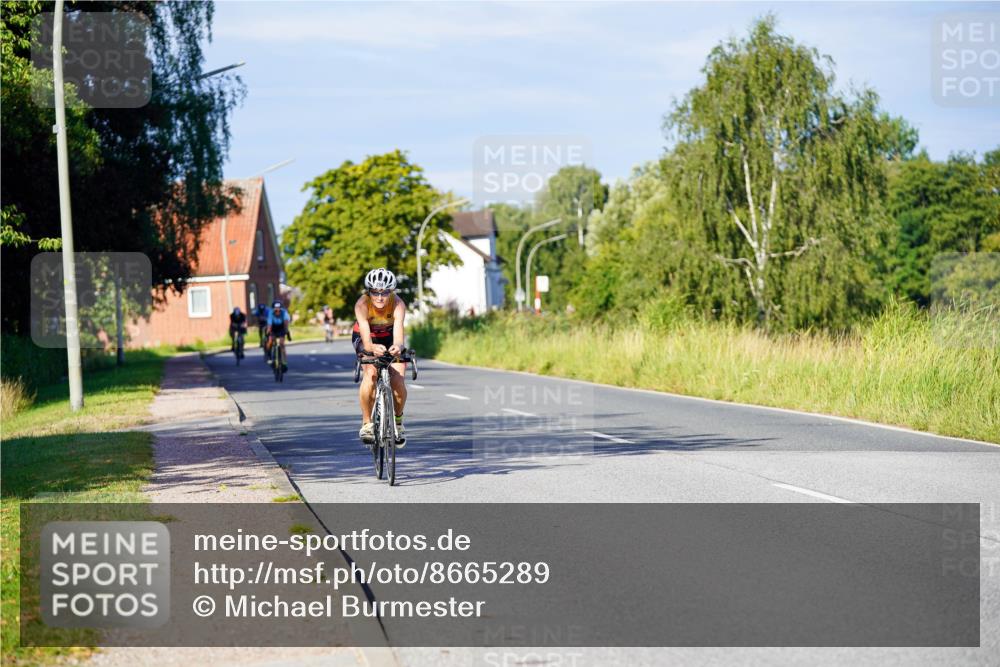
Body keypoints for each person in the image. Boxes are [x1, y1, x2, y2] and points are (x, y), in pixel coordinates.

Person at [353, 267, 407, 447]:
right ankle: (367, 424)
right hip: (367, 337)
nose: (380, 297)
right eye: (375, 292)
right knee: (371, 373)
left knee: (397, 380)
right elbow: (367, 341)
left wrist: (397, 347)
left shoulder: (398, 304)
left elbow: (398, 336)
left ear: (391, 291)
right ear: (369, 291)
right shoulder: (362, 305)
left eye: (384, 292)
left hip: (389, 336)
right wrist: (371, 348)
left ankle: (398, 423)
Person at [266, 300, 291, 370]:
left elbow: (286, 322)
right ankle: (269, 356)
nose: (277, 311)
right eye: (275, 309)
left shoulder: (284, 312)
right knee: (270, 341)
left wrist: (287, 331)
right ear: (273, 309)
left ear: (281, 309)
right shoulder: (270, 313)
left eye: (279, 309)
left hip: (281, 327)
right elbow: (269, 325)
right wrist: (268, 333)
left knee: (282, 344)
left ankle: (284, 362)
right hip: (273, 327)